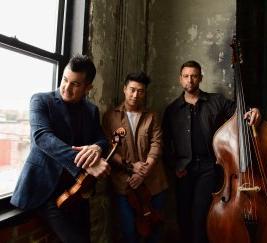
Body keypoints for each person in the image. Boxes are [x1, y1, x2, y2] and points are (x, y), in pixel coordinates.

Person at [11, 54, 111, 243]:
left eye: (75, 84)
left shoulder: (92, 110)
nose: (66, 87)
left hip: (77, 190)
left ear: (88, 88)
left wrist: (97, 149)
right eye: (65, 79)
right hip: (45, 191)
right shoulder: (40, 100)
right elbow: (42, 138)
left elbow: (101, 139)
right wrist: (87, 163)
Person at [162, 60, 261, 243]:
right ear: (180, 79)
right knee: (183, 216)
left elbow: (241, 112)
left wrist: (253, 111)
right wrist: (174, 165)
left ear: (200, 78)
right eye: (186, 76)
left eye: (194, 76)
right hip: (184, 169)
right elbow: (164, 143)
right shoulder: (172, 110)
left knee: (201, 216)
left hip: (209, 167)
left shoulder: (216, 101)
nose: (190, 80)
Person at [102, 71, 168, 243]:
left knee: (155, 230)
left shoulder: (152, 116)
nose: (135, 94)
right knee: (129, 232)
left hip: (153, 183)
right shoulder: (110, 116)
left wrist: (143, 173)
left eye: (140, 91)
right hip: (125, 184)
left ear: (145, 93)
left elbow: (157, 145)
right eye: (132, 89)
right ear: (124, 89)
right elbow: (109, 149)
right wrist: (131, 168)